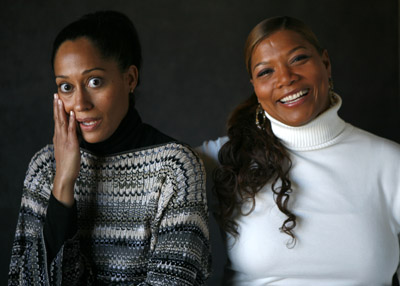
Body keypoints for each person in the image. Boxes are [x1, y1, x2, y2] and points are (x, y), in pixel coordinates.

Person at [8, 11, 210, 285]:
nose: (80, 103)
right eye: (66, 87)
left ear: (130, 79)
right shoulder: (45, 167)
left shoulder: (175, 167)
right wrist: (63, 183)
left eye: (94, 81)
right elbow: (27, 281)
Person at [198, 16, 400, 285]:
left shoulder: (389, 162)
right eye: (265, 72)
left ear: (325, 64)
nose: (286, 78)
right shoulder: (227, 158)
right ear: (256, 89)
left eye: (298, 59)